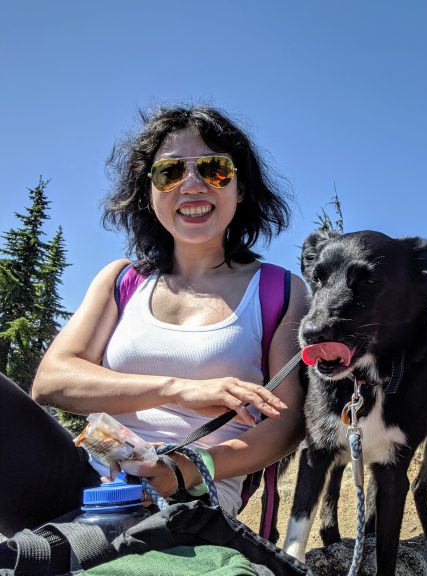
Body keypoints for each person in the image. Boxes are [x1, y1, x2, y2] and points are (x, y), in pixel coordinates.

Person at [0, 105, 308, 536]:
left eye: (215, 169)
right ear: (149, 192)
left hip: (188, 504)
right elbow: (51, 381)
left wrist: (187, 468)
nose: (192, 184)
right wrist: (178, 389)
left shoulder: (280, 291)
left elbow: (287, 423)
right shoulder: (121, 280)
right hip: (89, 483)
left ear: (240, 188)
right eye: (170, 173)